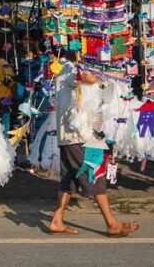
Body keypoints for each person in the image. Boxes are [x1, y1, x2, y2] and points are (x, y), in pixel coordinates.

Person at [48, 60, 139, 238]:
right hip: (77, 135)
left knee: (69, 180)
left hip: (75, 135)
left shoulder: (70, 67)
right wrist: (109, 72)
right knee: (94, 174)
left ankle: (57, 221)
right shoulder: (69, 67)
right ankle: (112, 224)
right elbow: (87, 78)